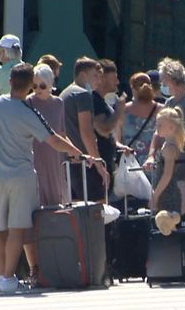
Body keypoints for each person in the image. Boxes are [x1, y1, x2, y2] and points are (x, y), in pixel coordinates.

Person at [0, 62, 93, 294]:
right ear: (30, 86)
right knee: (17, 229)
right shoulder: (28, 112)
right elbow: (53, 140)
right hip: (21, 177)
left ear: (10, 81)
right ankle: (10, 277)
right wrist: (79, 153)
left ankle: (0, 277)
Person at [25, 63, 68, 286]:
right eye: (34, 86)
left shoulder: (59, 103)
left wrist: (78, 154)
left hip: (53, 160)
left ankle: (54, 260)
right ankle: (34, 266)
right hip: (33, 159)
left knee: (54, 209)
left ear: (51, 84)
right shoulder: (28, 102)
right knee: (33, 214)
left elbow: (60, 133)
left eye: (42, 86)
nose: (38, 90)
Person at [145, 58, 185, 173]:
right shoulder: (169, 102)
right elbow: (158, 133)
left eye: (163, 80)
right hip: (173, 166)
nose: (161, 84)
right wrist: (151, 155)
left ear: (171, 78)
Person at [59, 57, 110, 202]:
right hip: (86, 164)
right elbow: (86, 132)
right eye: (95, 76)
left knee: (75, 212)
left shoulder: (65, 94)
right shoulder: (83, 95)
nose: (98, 81)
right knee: (97, 211)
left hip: (69, 163)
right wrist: (99, 165)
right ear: (83, 75)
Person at [114, 72, 162, 166]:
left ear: (132, 89)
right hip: (154, 165)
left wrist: (123, 148)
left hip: (130, 166)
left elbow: (116, 141)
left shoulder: (123, 111)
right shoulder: (161, 110)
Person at [93, 59, 128, 183]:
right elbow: (103, 129)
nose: (118, 82)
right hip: (98, 167)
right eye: (114, 78)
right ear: (102, 78)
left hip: (107, 162)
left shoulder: (102, 102)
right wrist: (119, 110)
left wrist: (118, 145)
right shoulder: (95, 100)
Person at [152, 107, 185, 235]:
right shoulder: (168, 145)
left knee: (164, 223)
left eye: (160, 125)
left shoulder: (169, 149)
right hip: (168, 193)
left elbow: (167, 175)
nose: (157, 128)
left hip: (167, 194)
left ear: (171, 128)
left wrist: (155, 196)